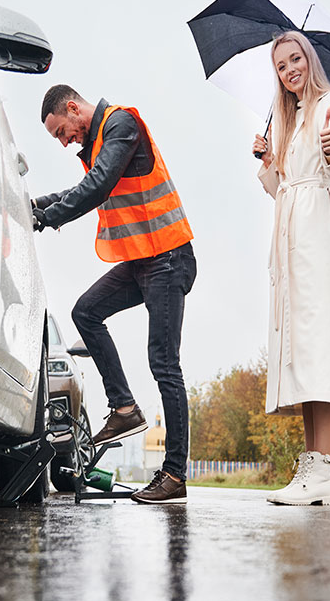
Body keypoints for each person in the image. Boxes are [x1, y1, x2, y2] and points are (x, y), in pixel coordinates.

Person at [32, 85, 197, 504]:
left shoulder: (121, 124)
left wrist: (49, 218)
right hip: (144, 262)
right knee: (86, 312)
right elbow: (82, 188)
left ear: (73, 108)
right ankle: (124, 408)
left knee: (163, 361)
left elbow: (99, 186)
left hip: (168, 257)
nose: (65, 140)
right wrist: (30, 205)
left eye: (61, 132)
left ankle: (175, 474)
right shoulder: (100, 142)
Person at [252, 32, 330, 505]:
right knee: (300, 349)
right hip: (289, 232)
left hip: (318, 232)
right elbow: (278, 187)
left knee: (319, 344)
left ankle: (321, 472)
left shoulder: (329, 103)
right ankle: (312, 474)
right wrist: (266, 160)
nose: (290, 69)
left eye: (295, 59)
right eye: (281, 65)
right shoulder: (285, 118)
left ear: (308, 59)